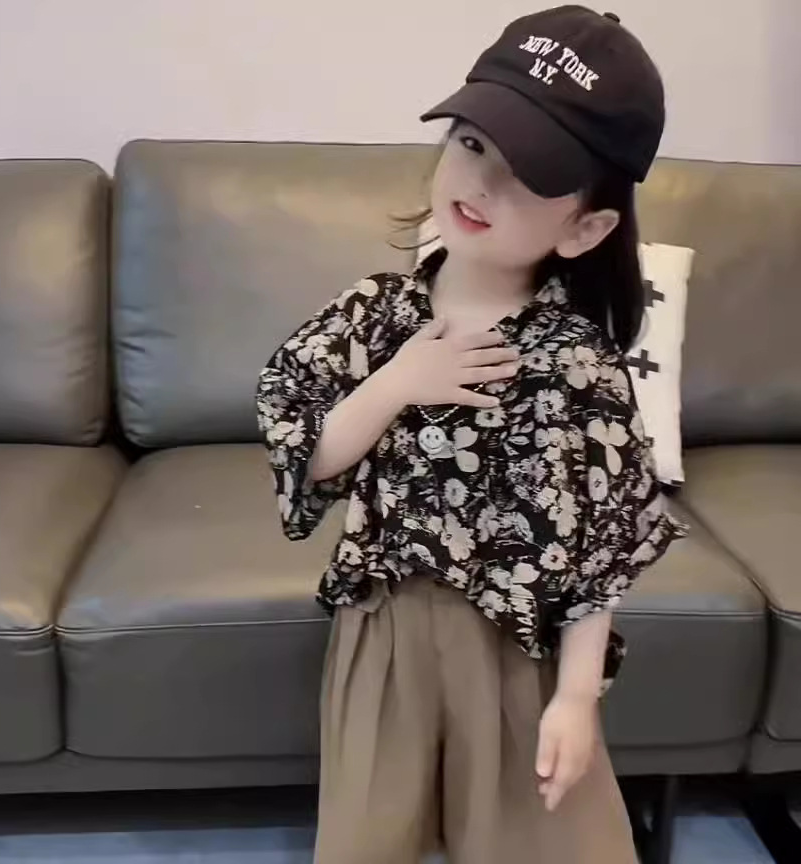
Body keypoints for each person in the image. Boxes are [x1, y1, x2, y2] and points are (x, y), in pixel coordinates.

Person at [257, 6, 686, 863]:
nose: (481, 181)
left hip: (513, 656)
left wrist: (576, 699)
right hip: (382, 640)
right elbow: (308, 454)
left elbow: (599, 553)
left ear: (587, 227)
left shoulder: (577, 366)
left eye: (532, 174)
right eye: (472, 142)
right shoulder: (372, 316)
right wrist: (396, 382)